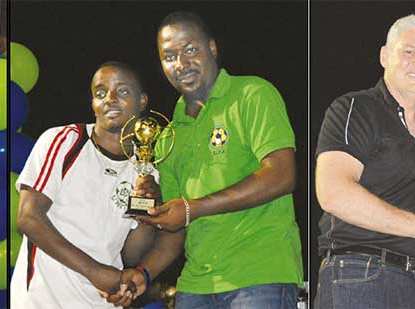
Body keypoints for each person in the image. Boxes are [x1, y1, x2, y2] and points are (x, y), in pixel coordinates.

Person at [108, 11, 304, 308]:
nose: (181, 64)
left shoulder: (252, 94)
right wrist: (144, 272)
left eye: (190, 50)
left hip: (259, 275)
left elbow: (282, 175)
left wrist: (192, 207)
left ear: (211, 48)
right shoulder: (167, 137)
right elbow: (178, 228)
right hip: (195, 287)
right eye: (169, 56)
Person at [313, 14, 415, 308]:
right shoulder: (354, 108)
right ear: (384, 56)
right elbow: (333, 193)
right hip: (361, 273)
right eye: (409, 51)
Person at [10, 61, 166, 308]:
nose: (110, 99)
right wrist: (95, 272)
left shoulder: (146, 170)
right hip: (44, 300)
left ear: (142, 101)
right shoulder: (63, 141)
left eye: (122, 91)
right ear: (93, 103)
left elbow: (131, 255)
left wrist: (149, 216)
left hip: (101, 302)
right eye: (100, 93)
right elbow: (28, 218)